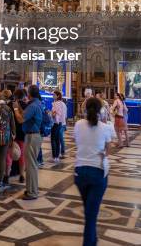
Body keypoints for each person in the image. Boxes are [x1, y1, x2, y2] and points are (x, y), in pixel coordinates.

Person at [74, 97, 112, 246]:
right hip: (97, 174)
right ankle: (89, 242)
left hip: (80, 172)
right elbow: (108, 150)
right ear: (100, 110)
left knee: (89, 211)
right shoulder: (105, 127)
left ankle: (93, 238)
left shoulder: (78, 125)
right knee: (91, 215)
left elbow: (78, 142)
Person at [14, 84, 42, 200]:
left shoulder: (33, 106)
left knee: (31, 166)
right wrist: (19, 107)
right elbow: (25, 114)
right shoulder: (36, 103)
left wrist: (15, 108)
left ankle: (32, 192)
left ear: (29, 94)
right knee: (31, 165)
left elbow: (20, 119)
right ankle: (31, 189)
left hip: (32, 137)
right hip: (34, 136)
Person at [6, 88, 27, 184]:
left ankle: (6, 175)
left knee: (9, 154)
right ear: (23, 96)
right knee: (21, 155)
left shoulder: (9, 105)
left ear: (15, 96)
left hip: (11, 133)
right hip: (22, 133)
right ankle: (22, 175)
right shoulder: (26, 106)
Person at [51, 90, 67, 162]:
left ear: (58, 96)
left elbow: (55, 114)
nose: (53, 96)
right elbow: (64, 115)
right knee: (58, 140)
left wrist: (51, 114)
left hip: (56, 123)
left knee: (53, 140)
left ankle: (54, 156)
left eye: (54, 95)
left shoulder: (56, 103)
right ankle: (57, 156)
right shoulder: (63, 104)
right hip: (61, 123)